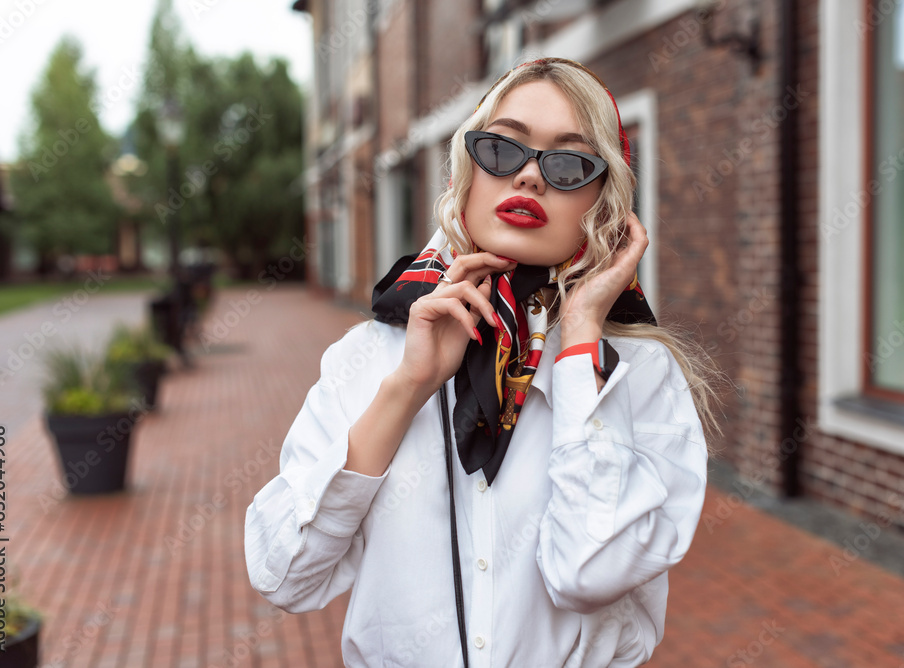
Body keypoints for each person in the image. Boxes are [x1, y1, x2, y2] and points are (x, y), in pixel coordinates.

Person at [245, 57, 723, 667]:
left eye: (571, 163)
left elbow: (590, 572)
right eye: (502, 149)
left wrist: (578, 344)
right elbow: (284, 575)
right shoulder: (369, 357)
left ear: (605, 204)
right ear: (464, 173)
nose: (528, 177)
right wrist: (408, 387)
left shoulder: (640, 374)